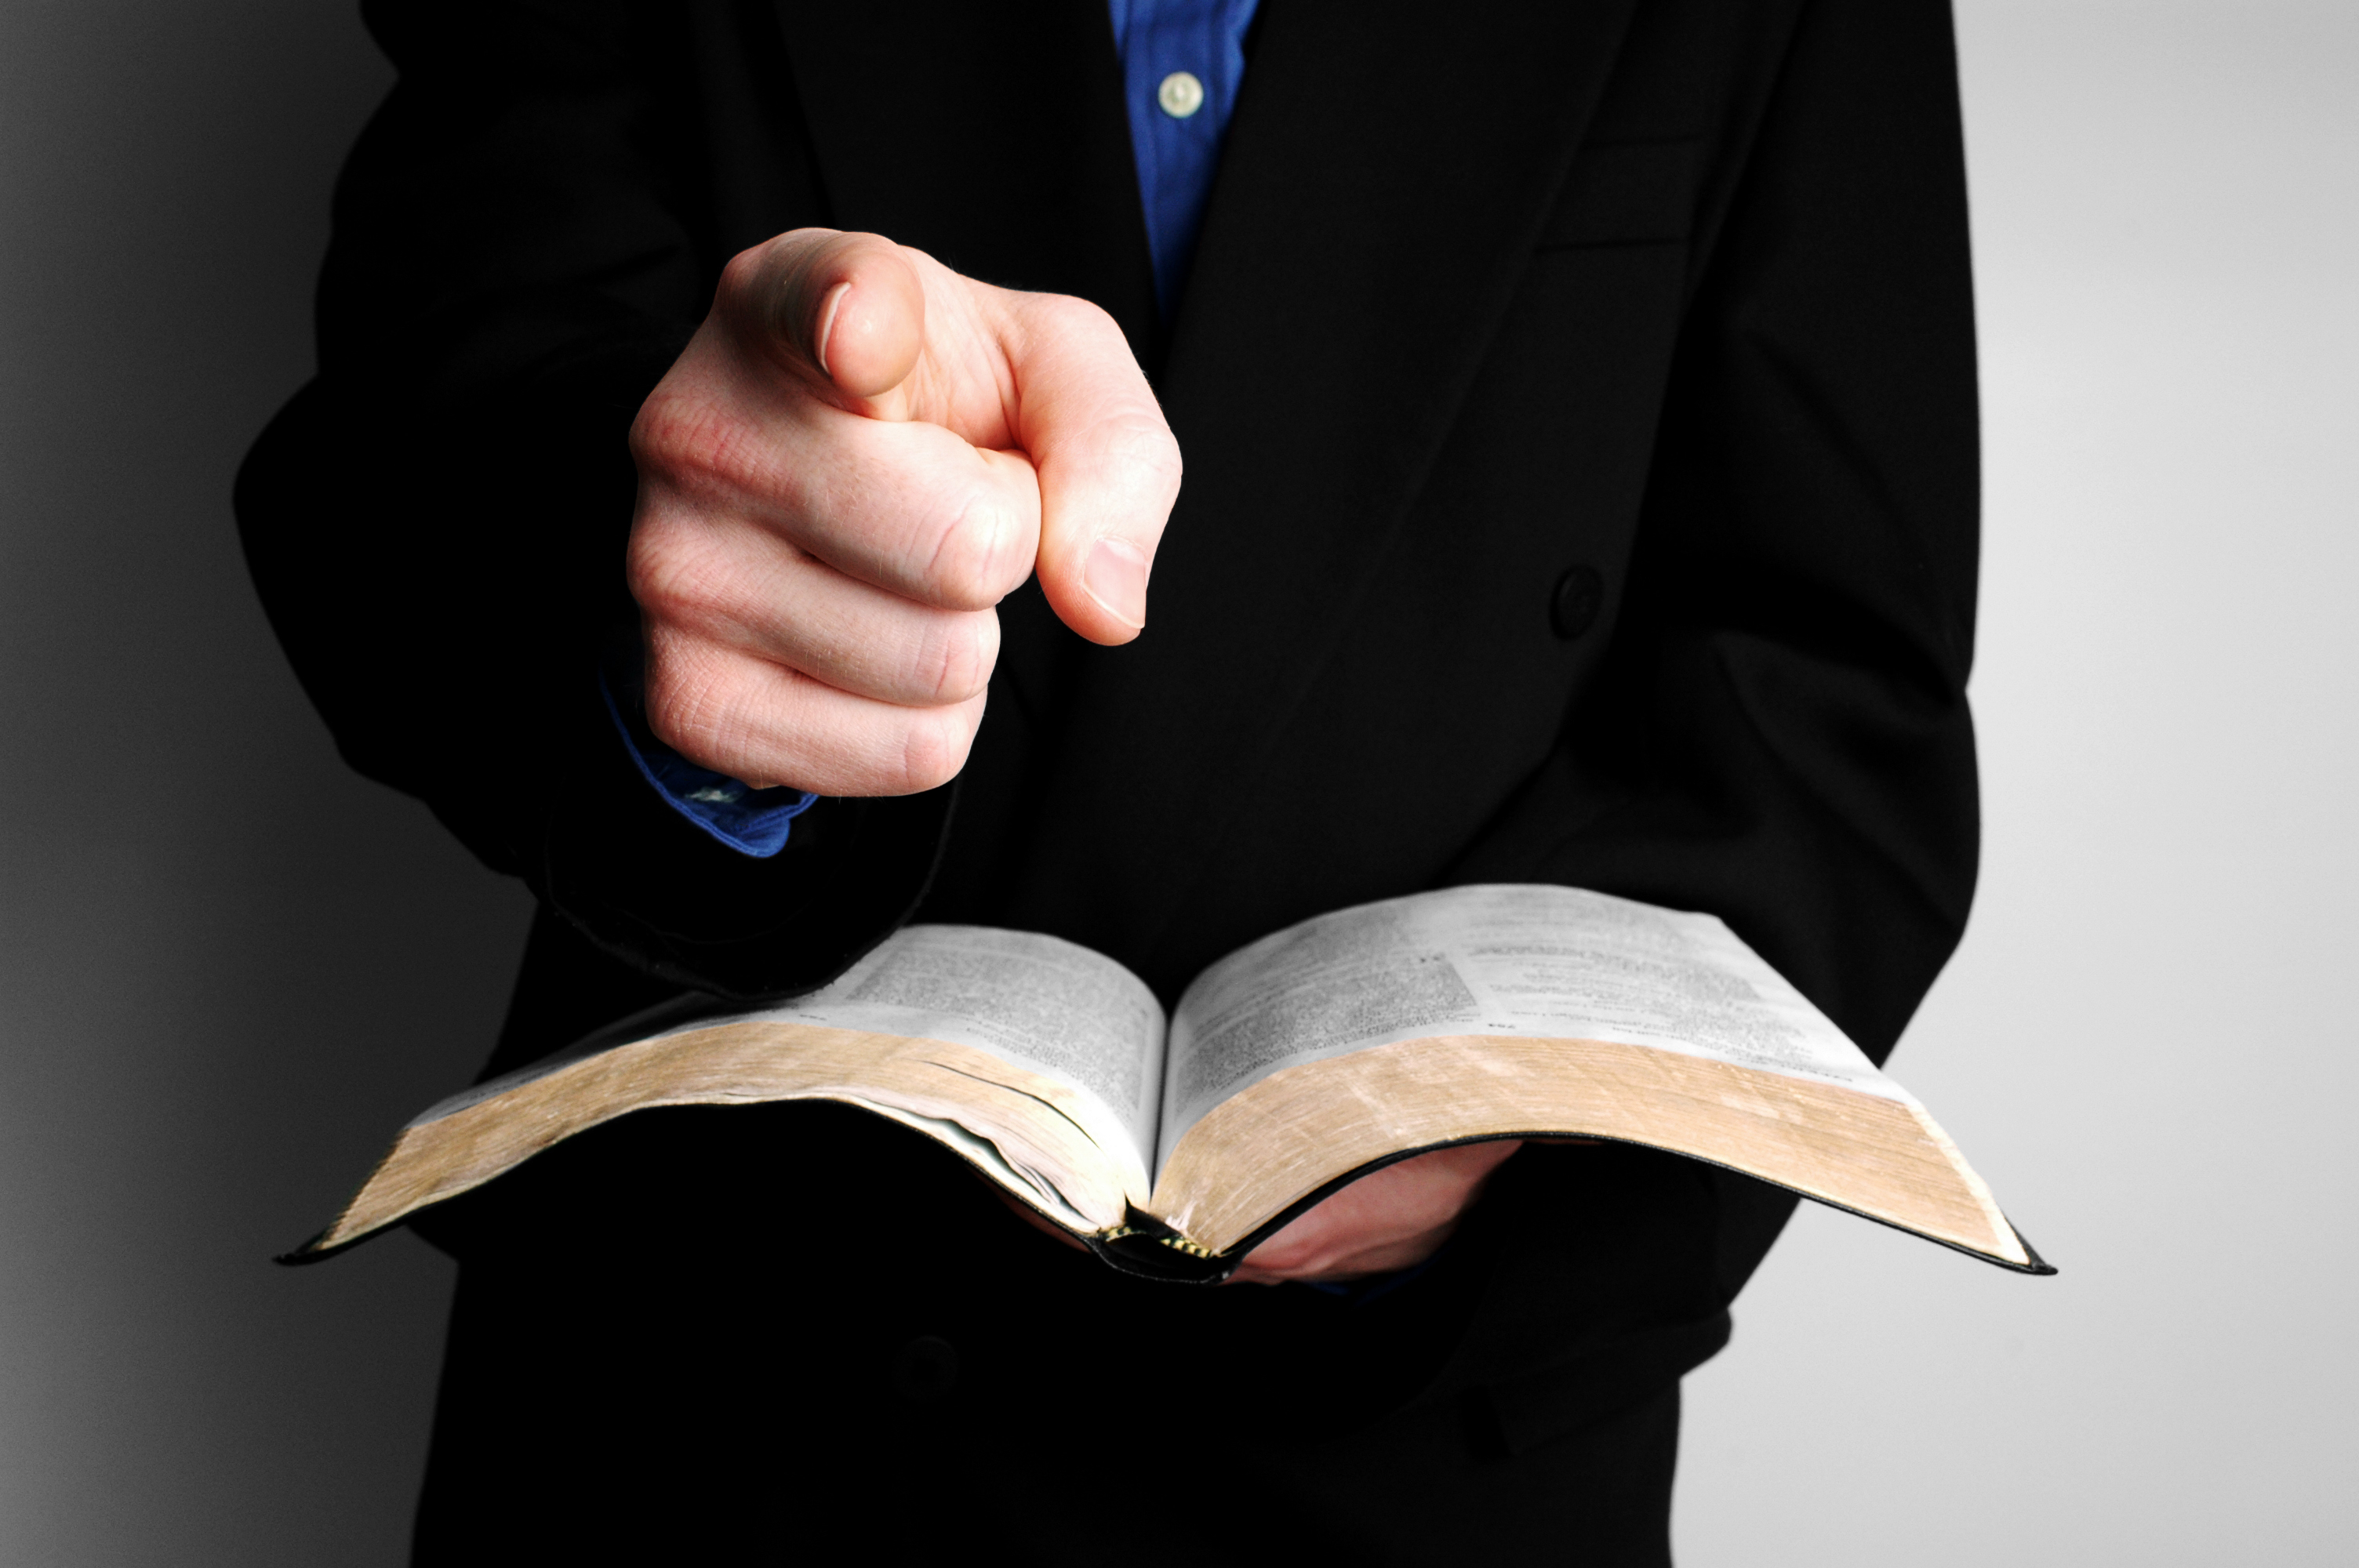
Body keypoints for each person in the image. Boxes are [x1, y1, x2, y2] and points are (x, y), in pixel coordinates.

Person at [237, 0, 1983, 1559]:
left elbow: (1831, 697)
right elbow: (405, 466)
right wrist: (656, 585)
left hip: (1409, 1457)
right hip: (718, 1407)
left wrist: (1532, 1138)